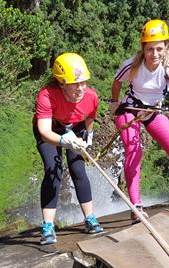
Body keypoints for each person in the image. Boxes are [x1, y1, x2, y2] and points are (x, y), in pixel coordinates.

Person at [109, 19, 169, 224]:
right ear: (143, 48)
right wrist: (114, 102)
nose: (154, 54)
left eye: (159, 49)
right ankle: (136, 206)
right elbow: (117, 82)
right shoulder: (132, 66)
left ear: (167, 47)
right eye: (150, 49)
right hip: (129, 109)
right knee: (134, 150)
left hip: (154, 111)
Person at [33, 52, 103, 245]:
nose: (80, 88)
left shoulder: (91, 96)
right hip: (52, 129)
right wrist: (64, 141)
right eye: (75, 83)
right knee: (53, 169)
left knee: (78, 168)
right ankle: (48, 226)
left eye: (83, 83)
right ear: (62, 83)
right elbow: (45, 131)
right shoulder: (47, 96)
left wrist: (89, 137)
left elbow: (89, 117)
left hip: (76, 127)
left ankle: (90, 218)